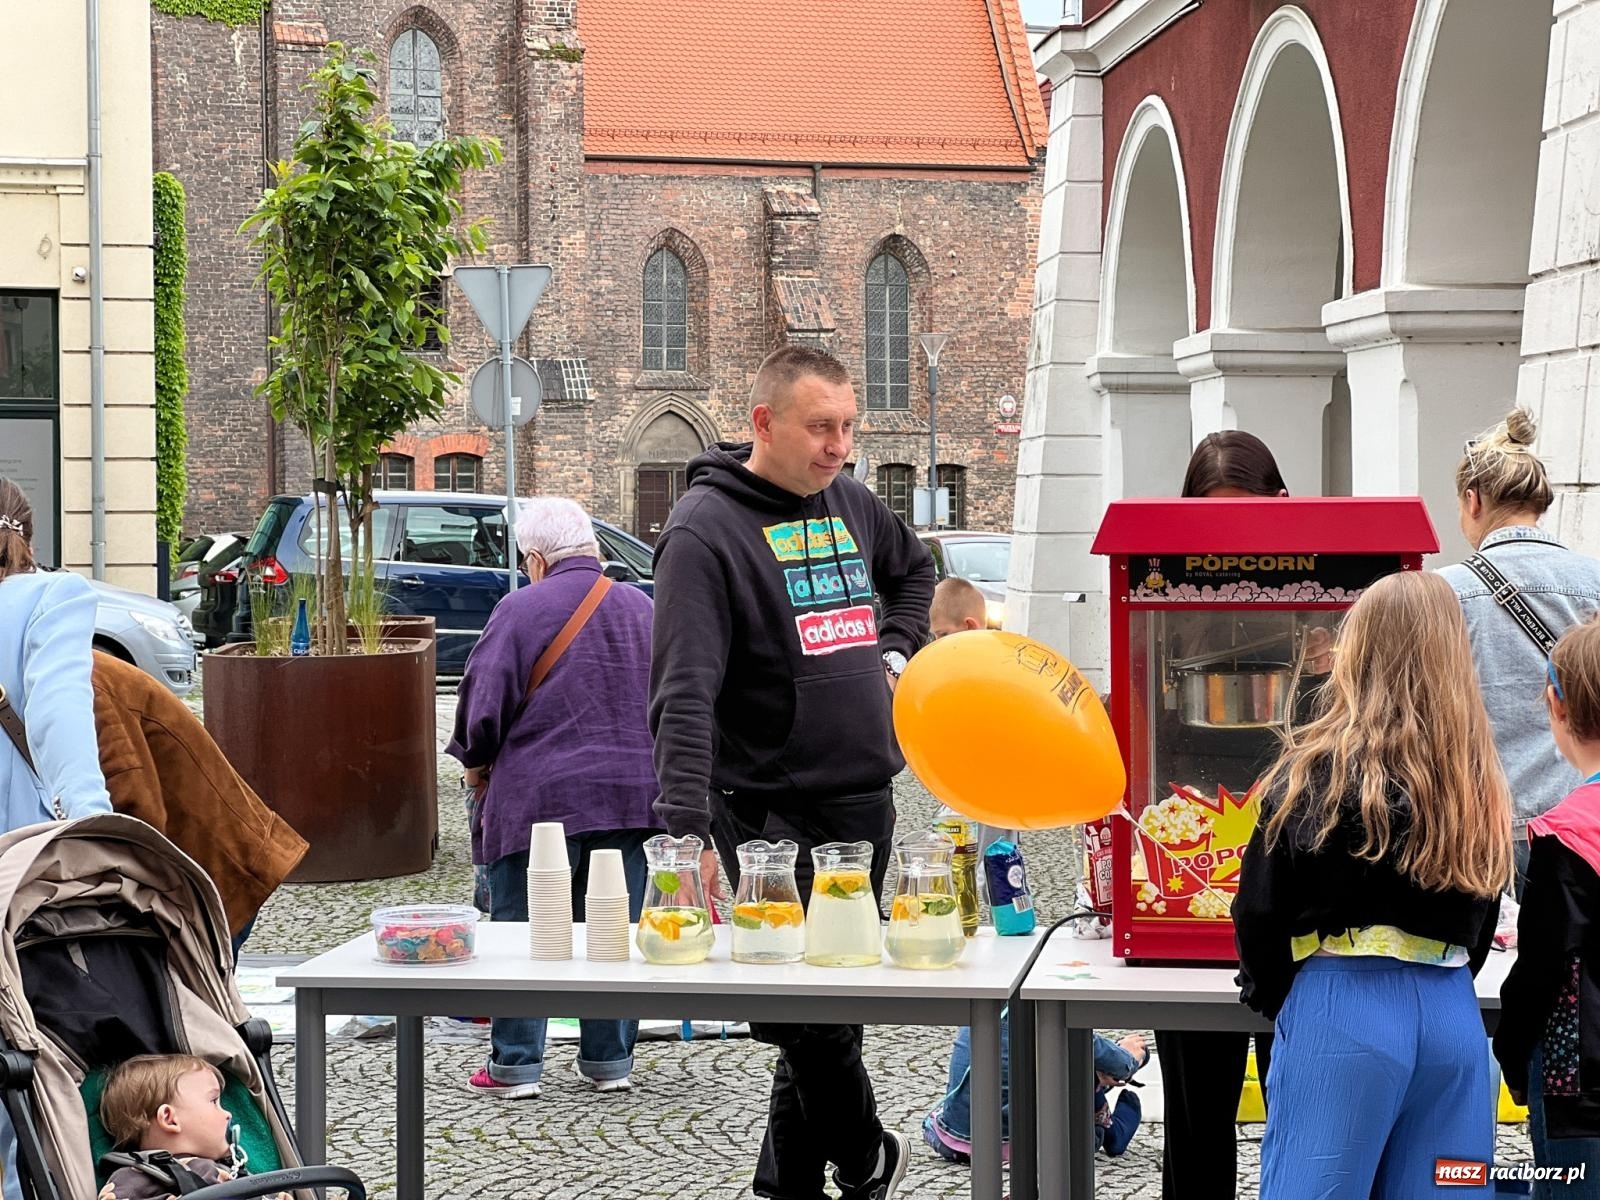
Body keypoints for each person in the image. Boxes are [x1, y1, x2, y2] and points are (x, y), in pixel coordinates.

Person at [650, 343, 934, 1200]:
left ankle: (789, 1187)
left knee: (829, 1001)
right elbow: (684, 694)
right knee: (795, 1009)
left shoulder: (848, 501)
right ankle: (865, 1155)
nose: (839, 446)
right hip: (765, 810)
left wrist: (896, 650)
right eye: (821, 427)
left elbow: (915, 573)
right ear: (763, 424)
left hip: (861, 798)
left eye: (848, 427)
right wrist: (685, 829)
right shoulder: (703, 533)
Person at [1234, 570, 1509, 1198]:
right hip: (1448, 1011)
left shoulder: (1315, 770)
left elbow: (1260, 911)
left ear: (1357, 652)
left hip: (1341, 1006)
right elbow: (1484, 913)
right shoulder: (1475, 778)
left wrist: (1280, 995)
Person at [449, 496, 662, 1097]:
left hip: (537, 801)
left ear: (536, 560)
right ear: (593, 550)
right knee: (611, 931)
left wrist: (473, 761)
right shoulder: (642, 609)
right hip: (629, 797)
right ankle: (608, 1063)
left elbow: (482, 702)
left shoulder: (519, 609)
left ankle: (515, 1066)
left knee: (526, 930)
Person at [1149, 430, 1289, 1200]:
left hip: (1290, 847)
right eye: (1213, 518)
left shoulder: (1317, 590)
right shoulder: (1165, 590)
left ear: (1281, 508)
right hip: (1192, 848)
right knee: (1197, 1122)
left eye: (1248, 516)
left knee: (1295, 1110)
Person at [0, 479, 113, 1200]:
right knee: (21, 1063)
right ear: (27, 538)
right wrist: (98, 834)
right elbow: (60, 713)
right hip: (17, 866)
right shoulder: (48, 599)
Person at [1440, 409, 1600, 893]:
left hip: (1480, 822)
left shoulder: (1445, 591)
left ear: (1473, 501)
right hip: (1581, 821)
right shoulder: (1594, 581)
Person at [90, 651, 308, 956]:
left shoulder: (90, 686)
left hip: (216, 874)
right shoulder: (74, 680)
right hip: (192, 881)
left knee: (197, 997)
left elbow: (136, 813)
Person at [1495, 616, 1600, 1198]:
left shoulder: (1563, 836)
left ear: (1558, 708)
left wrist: (1511, 1049)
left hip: (1579, 1087)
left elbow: (1541, 971)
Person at [923, 1028, 1145, 1164]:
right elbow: (1120, 1064)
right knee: (1083, 1058)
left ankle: (1098, 1087)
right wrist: (1130, 1055)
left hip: (953, 1139)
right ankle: (1108, 1128)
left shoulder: (981, 997)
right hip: (1029, 1147)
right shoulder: (1049, 1006)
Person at [97, 1054, 284, 1200]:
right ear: (170, 1119)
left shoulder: (229, 1169)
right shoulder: (132, 1179)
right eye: (214, 1101)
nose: (228, 1114)